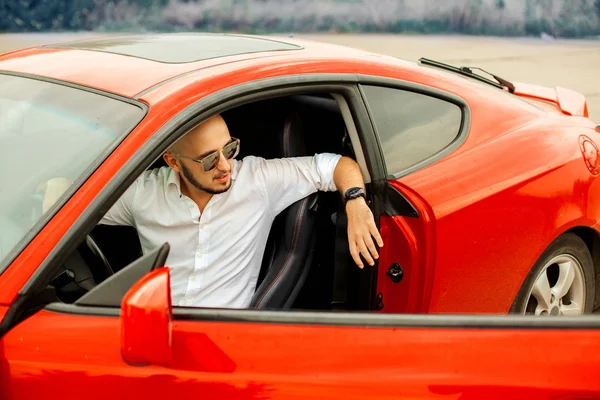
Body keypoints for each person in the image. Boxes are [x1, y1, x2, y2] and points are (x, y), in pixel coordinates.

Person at [99, 114, 383, 308]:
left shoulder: (256, 180)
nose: (225, 166)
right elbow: (71, 204)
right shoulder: (143, 194)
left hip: (220, 341)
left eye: (230, 149)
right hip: (150, 332)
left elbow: (334, 165)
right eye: (209, 159)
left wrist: (356, 202)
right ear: (173, 162)